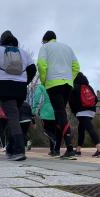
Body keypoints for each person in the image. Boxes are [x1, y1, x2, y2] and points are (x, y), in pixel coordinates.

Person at [0, 30, 37, 161]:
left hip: (5, 86)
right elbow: (32, 69)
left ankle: (19, 151)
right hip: (20, 88)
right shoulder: (23, 53)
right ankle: (10, 149)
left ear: (1, 40)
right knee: (12, 117)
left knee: (12, 118)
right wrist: (25, 82)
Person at [37, 30, 80, 159]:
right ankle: (56, 149)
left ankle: (70, 149)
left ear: (45, 40)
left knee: (60, 114)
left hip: (53, 84)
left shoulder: (45, 47)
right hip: (67, 84)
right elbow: (76, 67)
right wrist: (69, 79)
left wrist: (44, 81)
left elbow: (41, 64)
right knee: (59, 115)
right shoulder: (68, 47)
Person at [69, 72, 100, 157]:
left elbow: (71, 102)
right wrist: (91, 106)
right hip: (92, 111)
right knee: (81, 128)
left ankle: (99, 148)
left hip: (81, 112)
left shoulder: (75, 87)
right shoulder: (89, 87)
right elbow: (96, 99)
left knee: (90, 128)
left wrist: (75, 111)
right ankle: (78, 150)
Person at [32, 84, 62, 156]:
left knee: (48, 131)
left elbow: (37, 98)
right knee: (55, 131)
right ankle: (54, 150)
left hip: (47, 111)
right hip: (58, 110)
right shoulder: (58, 85)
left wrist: (34, 109)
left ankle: (54, 143)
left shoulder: (41, 86)